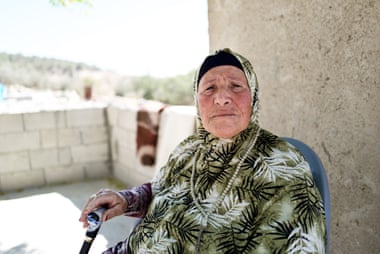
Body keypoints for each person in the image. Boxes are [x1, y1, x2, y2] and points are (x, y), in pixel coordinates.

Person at [79, 48, 327, 253]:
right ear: (197, 100)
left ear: (254, 97)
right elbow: (159, 190)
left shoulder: (282, 163)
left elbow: (303, 244)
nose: (222, 98)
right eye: (209, 89)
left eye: (236, 86)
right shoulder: (189, 149)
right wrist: (125, 199)